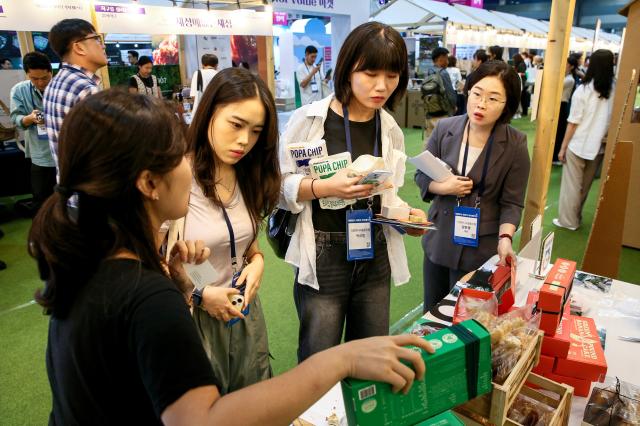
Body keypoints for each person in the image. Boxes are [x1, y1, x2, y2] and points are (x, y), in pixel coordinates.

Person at [30, 89, 433, 424]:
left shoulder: (86, 264)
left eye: (255, 130)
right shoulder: (146, 297)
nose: (187, 166)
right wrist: (342, 359)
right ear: (150, 182)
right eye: (177, 157)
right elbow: (202, 419)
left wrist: (186, 275)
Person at [280, 21, 428, 363]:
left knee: (371, 353)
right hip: (324, 250)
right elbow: (277, 185)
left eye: (392, 76)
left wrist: (407, 216)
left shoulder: (389, 127)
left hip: (374, 250)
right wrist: (322, 187)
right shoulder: (309, 121)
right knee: (320, 356)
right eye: (371, 73)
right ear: (348, 69)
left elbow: (387, 194)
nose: (382, 86)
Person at [171, 68, 279, 393]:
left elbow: (246, 245)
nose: (245, 140)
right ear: (209, 112)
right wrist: (202, 294)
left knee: (254, 403)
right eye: (236, 124)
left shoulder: (247, 174)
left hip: (243, 312)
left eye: (256, 131)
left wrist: (258, 262)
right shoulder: (176, 175)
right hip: (192, 317)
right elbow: (153, 259)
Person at [415, 60, 530, 312]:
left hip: (481, 248)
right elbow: (421, 176)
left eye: (493, 99)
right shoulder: (445, 129)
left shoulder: (515, 144)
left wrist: (505, 238)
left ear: (506, 105)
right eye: (477, 93)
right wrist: (443, 187)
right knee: (432, 313)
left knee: (468, 317)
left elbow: (512, 202)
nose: (481, 104)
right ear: (467, 91)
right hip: (440, 236)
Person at [554, 49, 615, 231]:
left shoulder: (584, 89)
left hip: (578, 143)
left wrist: (563, 148)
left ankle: (569, 221)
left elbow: (573, 122)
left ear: (591, 64)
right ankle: (576, 217)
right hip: (600, 145)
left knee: (572, 186)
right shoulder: (614, 89)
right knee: (585, 186)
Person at [43, 18, 106, 171]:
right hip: (90, 189)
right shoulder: (86, 89)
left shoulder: (55, 82)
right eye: (96, 39)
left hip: (68, 185)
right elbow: (104, 152)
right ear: (79, 48)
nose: (103, 45)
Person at [9, 52, 55, 214]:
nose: (40, 83)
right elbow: (15, 119)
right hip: (40, 153)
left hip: (65, 152)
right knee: (42, 199)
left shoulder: (60, 88)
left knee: (68, 198)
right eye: (34, 79)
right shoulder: (19, 90)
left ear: (51, 72)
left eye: (44, 78)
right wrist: (29, 118)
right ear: (27, 74)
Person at [423, 47, 457, 138]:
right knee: (443, 141)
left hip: (429, 113)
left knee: (429, 142)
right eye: (446, 58)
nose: (447, 61)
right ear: (441, 58)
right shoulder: (443, 73)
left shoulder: (428, 72)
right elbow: (450, 94)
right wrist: (454, 106)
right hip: (443, 114)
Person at [552, 55, 580, 165]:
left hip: (562, 106)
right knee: (557, 131)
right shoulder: (566, 77)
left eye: (567, 64)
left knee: (559, 132)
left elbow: (555, 86)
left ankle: (556, 157)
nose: (564, 66)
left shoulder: (569, 80)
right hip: (559, 106)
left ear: (571, 66)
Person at [512, 53, 527, 118]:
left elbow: (523, 73)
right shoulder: (521, 64)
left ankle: (518, 112)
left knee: (518, 98)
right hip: (520, 82)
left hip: (521, 83)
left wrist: (516, 73)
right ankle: (518, 112)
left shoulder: (521, 64)